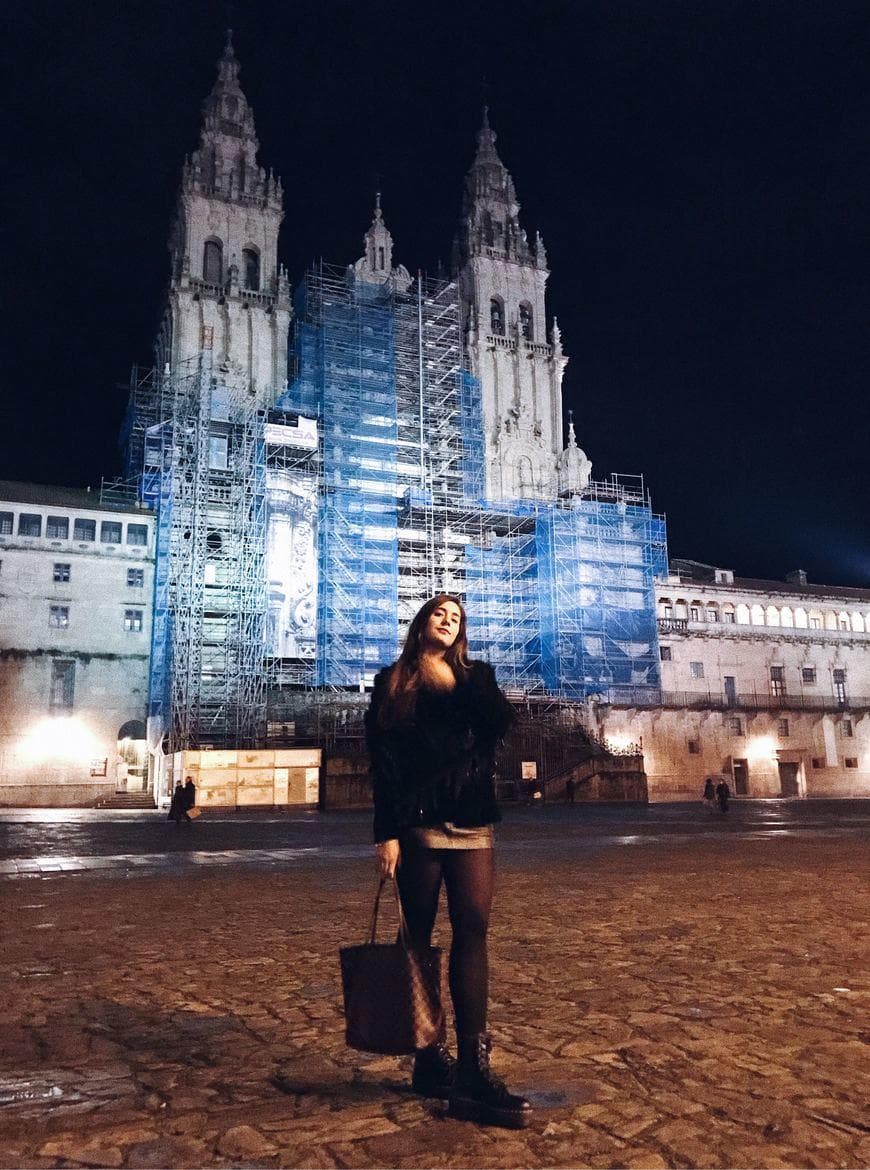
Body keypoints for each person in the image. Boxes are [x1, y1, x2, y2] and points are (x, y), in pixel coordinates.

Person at [365, 594, 531, 1130]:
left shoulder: (474, 676)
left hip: (471, 819)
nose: (448, 620)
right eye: (440, 612)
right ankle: (427, 1054)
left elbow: (498, 724)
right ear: (422, 622)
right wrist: (385, 833)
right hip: (417, 823)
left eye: (457, 617)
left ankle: (473, 1068)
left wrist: (475, 679)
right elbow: (382, 762)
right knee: (417, 939)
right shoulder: (393, 680)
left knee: (474, 930)